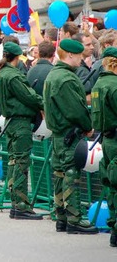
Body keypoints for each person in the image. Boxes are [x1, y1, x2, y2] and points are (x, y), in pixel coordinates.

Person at [43, 39, 97, 234]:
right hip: (69, 134)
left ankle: (62, 217)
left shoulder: (54, 75)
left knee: (59, 174)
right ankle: (74, 218)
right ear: (71, 55)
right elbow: (76, 110)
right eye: (80, 56)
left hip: (58, 134)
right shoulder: (66, 78)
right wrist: (87, 126)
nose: (82, 60)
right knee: (71, 174)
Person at [0, 42, 43, 220]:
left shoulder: (0, 73)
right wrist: (44, 104)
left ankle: (16, 203)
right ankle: (21, 206)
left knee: (13, 162)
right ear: (17, 57)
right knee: (21, 163)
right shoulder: (13, 75)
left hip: (11, 121)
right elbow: (28, 96)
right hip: (20, 122)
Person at [90, 47, 117, 247]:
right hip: (115, 139)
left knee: (111, 184)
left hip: (106, 139)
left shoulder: (99, 83)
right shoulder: (114, 85)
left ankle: (114, 227)